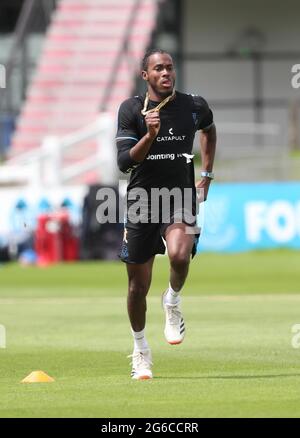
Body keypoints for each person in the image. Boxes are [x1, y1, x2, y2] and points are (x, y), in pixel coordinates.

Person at [116, 49, 216, 380]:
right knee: (136, 288)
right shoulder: (132, 110)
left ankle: (172, 301)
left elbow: (209, 130)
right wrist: (150, 135)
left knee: (179, 256)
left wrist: (208, 174)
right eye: (158, 68)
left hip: (180, 198)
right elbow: (124, 162)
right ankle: (141, 350)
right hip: (142, 202)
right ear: (145, 74)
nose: (166, 73)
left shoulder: (193, 105)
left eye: (170, 67)